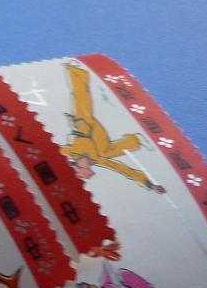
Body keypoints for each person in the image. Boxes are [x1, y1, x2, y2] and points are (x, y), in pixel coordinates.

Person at [62, 63, 166, 192]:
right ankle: (135, 140)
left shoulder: (70, 151)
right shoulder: (98, 160)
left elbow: (52, 149)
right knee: (106, 152)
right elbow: (123, 169)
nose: (88, 177)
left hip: (83, 123)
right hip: (97, 133)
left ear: (78, 172)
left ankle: (74, 69)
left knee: (81, 98)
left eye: (83, 176)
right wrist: (149, 184)